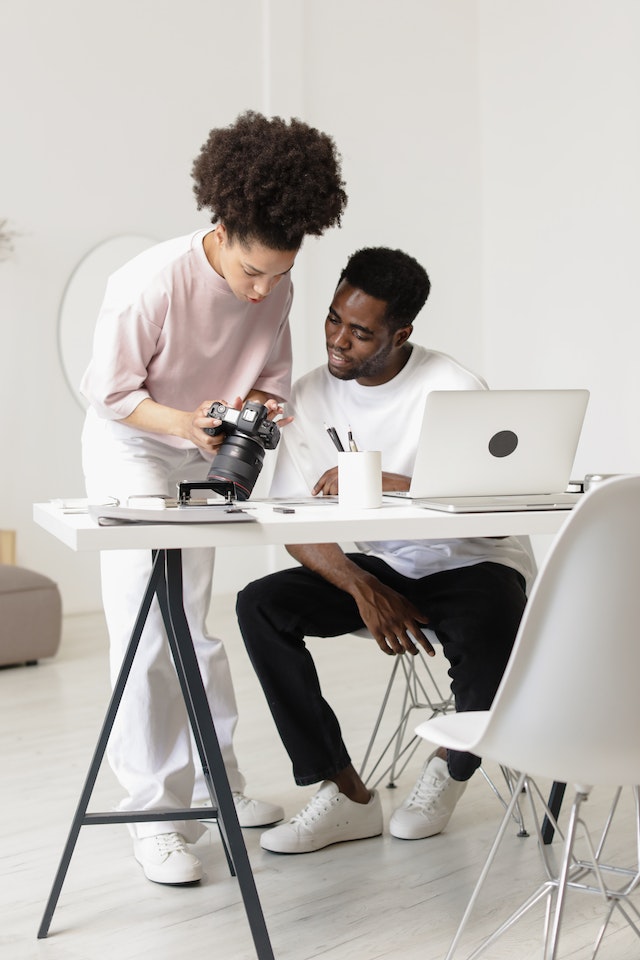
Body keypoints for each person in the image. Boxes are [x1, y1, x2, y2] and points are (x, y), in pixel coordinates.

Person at [80, 111, 347, 884]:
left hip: (203, 445)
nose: (264, 289)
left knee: (190, 624)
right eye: (252, 273)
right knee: (146, 627)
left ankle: (214, 782)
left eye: (278, 274)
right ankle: (154, 814)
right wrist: (183, 425)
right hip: (135, 441)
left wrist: (259, 411)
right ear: (222, 227)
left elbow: (268, 374)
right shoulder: (147, 282)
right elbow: (110, 393)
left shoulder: (278, 283)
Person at [236, 246, 535, 855]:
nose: (338, 341)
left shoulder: (453, 387)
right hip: (388, 566)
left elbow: (498, 499)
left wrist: (390, 483)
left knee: (491, 622)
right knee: (260, 606)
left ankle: (450, 770)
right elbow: (295, 522)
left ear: (401, 334)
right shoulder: (309, 396)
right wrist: (362, 587)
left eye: (361, 332)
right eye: (334, 320)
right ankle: (345, 793)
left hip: (473, 559)